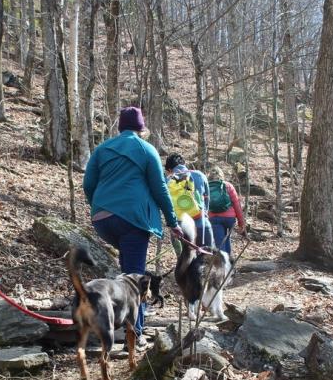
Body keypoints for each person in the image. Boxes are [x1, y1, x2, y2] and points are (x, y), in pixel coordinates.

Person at [83, 107, 184, 338]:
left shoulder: (102, 149)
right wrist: (172, 221)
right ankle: (135, 332)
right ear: (141, 128)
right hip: (134, 220)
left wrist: (98, 205)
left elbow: (88, 184)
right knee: (136, 277)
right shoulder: (146, 149)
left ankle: (117, 320)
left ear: (120, 127)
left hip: (103, 220)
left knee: (126, 270)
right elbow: (160, 188)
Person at [164, 154, 213, 248]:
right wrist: (205, 213)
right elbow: (207, 198)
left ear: (169, 170)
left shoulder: (168, 181)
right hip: (201, 225)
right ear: (184, 163)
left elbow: (166, 204)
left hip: (180, 229)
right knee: (206, 260)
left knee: (184, 261)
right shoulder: (199, 175)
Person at [206, 165, 246, 255]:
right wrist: (241, 222)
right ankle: (228, 263)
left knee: (220, 244)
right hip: (229, 219)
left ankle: (224, 265)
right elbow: (237, 204)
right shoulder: (228, 186)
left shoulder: (206, 187)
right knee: (226, 239)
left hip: (214, 218)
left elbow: (203, 205)